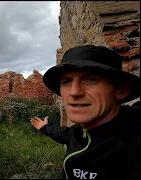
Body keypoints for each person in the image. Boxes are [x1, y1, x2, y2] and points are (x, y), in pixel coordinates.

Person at [30, 45, 140, 180]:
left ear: (121, 90)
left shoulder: (132, 141)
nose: (74, 92)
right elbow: (62, 134)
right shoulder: (78, 132)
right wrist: (44, 128)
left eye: (92, 79)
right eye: (67, 81)